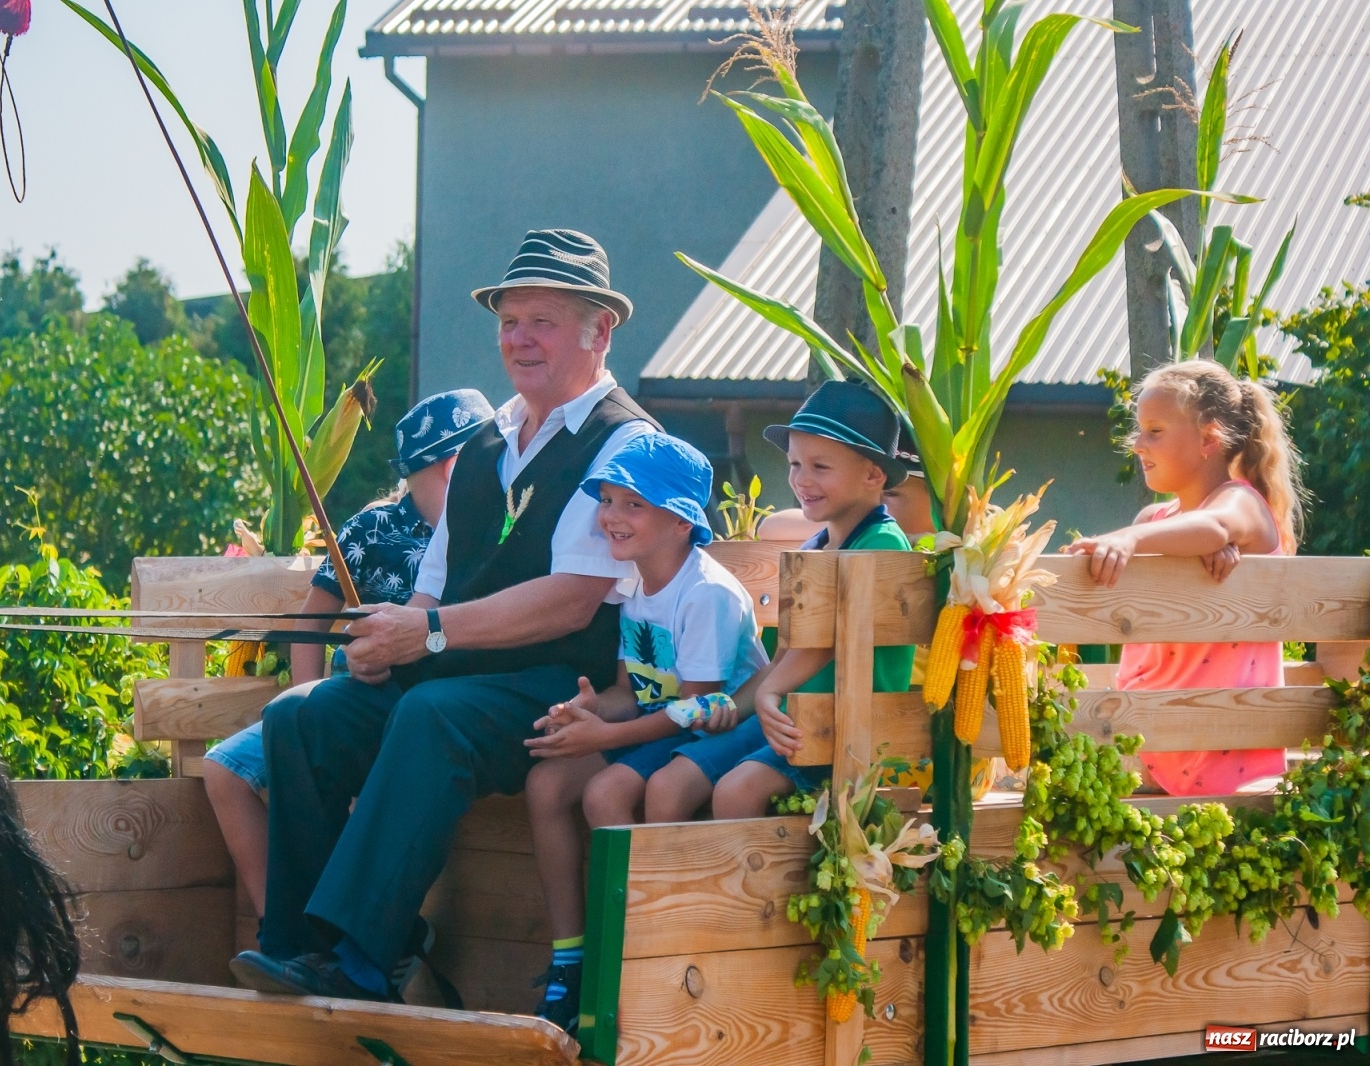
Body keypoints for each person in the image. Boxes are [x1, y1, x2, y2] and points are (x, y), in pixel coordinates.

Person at [228, 229, 660, 1004]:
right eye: (509, 322)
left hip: (565, 688)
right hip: (457, 669)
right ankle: (296, 946)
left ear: (599, 331)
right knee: (302, 716)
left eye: (543, 322)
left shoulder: (624, 442)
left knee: (433, 715)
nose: (519, 339)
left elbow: (572, 598)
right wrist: (387, 640)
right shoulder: (489, 441)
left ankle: (363, 960)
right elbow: (436, 585)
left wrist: (427, 634)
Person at [202, 389, 493, 930]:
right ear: (451, 467)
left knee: (362, 788)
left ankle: (369, 936)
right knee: (224, 769)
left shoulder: (493, 534)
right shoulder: (372, 527)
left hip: (425, 713)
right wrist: (301, 700)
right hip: (347, 699)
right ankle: (281, 929)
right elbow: (311, 625)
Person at [521, 433, 767, 1032]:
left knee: (607, 793)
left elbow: (698, 708)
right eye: (608, 500)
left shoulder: (704, 594)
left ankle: (640, 957)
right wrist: (587, 712)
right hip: (670, 723)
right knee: (546, 784)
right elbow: (632, 692)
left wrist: (603, 739)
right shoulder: (632, 585)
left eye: (634, 504)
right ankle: (573, 959)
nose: (612, 516)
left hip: (720, 725)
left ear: (682, 522)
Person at [644, 382, 916, 820]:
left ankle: (732, 871)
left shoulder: (882, 544)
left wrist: (771, 692)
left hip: (845, 727)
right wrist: (734, 706)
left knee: (735, 793)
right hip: (789, 717)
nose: (801, 480)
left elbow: (830, 639)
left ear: (873, 475)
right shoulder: (814, 549)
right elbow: (784, 659)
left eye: (820, 466)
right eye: (794, 464)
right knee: (668, 785)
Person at [1065, 360, 1304, 796]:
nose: (1138, 444)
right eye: (1139, 430)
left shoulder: (1240, 504)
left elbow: (1214, 526)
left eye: (1155, 431)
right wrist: (1174, 542)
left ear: (1209, 439)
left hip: (1219, 748)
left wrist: (1130, 539)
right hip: (1141, 738)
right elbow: (1202, 533)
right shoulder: (1155, 520)